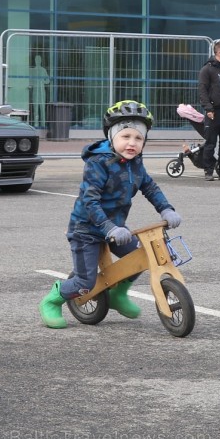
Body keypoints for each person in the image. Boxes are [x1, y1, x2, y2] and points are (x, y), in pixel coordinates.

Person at [38, 100, 181, 329]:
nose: (132, 143)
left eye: (138, 138)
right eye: (125, 137)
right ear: (111, 137)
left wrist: (166, 209)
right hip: (86, 228)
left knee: (141, 257)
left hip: (115, 228)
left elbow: (150, 188)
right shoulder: (99, 163)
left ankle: (118, 295)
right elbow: (90, 200)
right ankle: (52, 301)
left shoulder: (136, 164)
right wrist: (109, 228)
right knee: (85, 281)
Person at [198, 38, 220, 181]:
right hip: (214, 112)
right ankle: (208, 171)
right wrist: (208, 108)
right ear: (219, 52)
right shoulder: (206, 69)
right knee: (211, 142)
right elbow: (202, 91)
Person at [30, 55, 50, 127]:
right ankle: (36, 124)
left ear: (40, 61)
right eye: (36, 60)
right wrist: (33, 83)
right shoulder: (32, 70)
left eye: (39, 60)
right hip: (35, 91)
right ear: (35, 61)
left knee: (42, 108)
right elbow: (30, 81)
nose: (37, 61)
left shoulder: (43, 70)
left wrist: (42, 82)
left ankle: (43, 124)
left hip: (42, 91)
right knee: (35, 108)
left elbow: (48, 80)